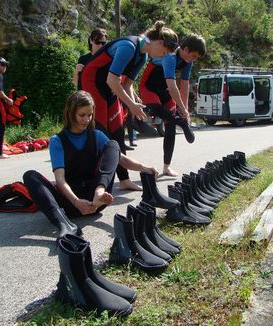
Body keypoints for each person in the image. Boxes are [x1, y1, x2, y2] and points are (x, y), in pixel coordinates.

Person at [23, 90, 158, 223]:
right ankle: (62, 224)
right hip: (71, 204)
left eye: (89, 115)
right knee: (30, 176)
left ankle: (99, 191)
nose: (86, 120)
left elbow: (121, 159)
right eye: (82, 115)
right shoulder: (57, 141)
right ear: (71, 114)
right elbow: (60, 180)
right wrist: (76, 202)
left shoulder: (96, 135)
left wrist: (144, 168)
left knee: (113, 145)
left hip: (96, 200)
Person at [80, 21, 179, 191]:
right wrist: (131, 105)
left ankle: (124, 180)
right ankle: (92, 180)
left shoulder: (144, 55)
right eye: (163, 53)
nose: (162, 57)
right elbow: (112, 80)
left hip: (110, 86)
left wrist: (136, 102)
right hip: (93, 82)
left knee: (118, 131)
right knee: (103, 134)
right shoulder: (128, 47)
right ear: (159, 43)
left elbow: (126, 85)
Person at [139, 34, 206, 176]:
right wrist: (182, 112)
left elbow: (184, 84)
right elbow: (173, 85)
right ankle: (181, 123)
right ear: (185, 49)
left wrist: (185, 109)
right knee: (157, 109)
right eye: (193, 56)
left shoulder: (188, 62)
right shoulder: (170, 56)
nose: (194, 59)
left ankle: (166, 167)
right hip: (149, 87)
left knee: (170, 127)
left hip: (164, 90)